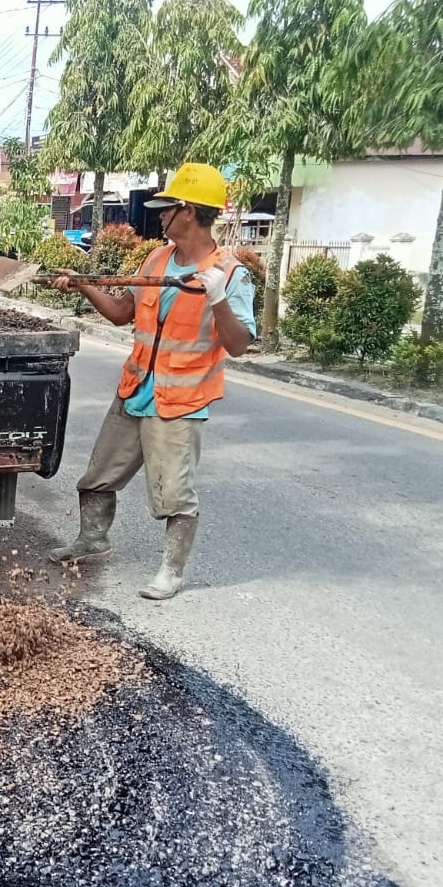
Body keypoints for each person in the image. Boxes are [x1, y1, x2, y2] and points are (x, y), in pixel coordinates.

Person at [47, 161, 256, 600]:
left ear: (190, 211)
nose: (157, 215)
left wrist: (216, 296)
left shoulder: (231, 275)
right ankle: (92, 539)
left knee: (173, 494)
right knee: (98, 475)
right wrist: (83, 286)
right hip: (135, 390)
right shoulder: (157, 258)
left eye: (166, 208)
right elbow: (124, 313)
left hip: (179, 402)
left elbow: (237, 344)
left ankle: (171, 571)